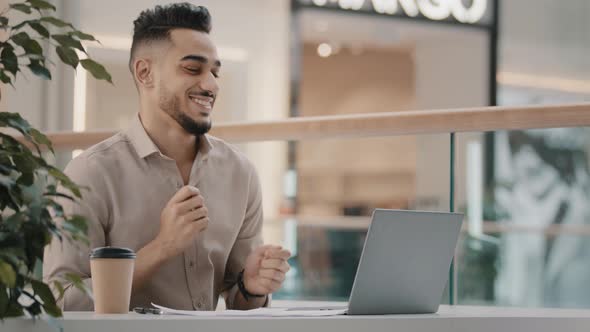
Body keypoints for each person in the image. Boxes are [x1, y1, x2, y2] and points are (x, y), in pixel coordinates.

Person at [43, 3, 290, 311]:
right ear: (145, 73)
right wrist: (162, 248)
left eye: (215, 71)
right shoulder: (90, 174)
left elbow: (240, 301)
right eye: (192, 68)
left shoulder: (241, 173)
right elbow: (60, 299)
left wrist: (251, 287)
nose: (211, 84)